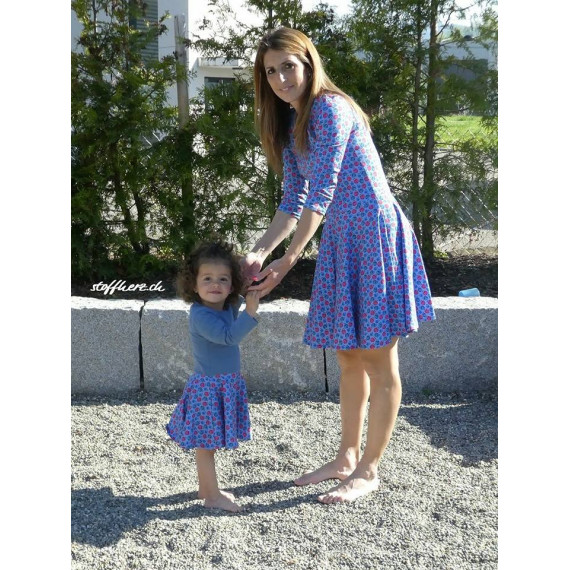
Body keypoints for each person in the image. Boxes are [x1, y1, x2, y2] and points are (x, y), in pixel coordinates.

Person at [243, 27, 436, 504]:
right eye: (271, 71)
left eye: (288, 66)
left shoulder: (330, 108)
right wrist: (261, 251)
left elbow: (323, 189)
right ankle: (346, 457)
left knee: (378, 360)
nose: (281, 78)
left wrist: (289, 259)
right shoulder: (292, 123)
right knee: (349, 356)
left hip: (373, 236)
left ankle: (369, 470)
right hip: (342, 241)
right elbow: (293, 198)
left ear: (308, 63)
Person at [166, 239, 261, 512]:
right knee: (206, 446)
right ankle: (212, 496)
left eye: (223, 279)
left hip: (224, 386)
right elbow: (228, 337)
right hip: (209, 389)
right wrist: (250, 313)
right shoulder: (201, 315)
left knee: (210, 444)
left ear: (231, 285)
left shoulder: (225, 306)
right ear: (194, 285)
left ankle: (206, 488)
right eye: (207, 278)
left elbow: (239, 299)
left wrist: (248, 282)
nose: (215, 284)